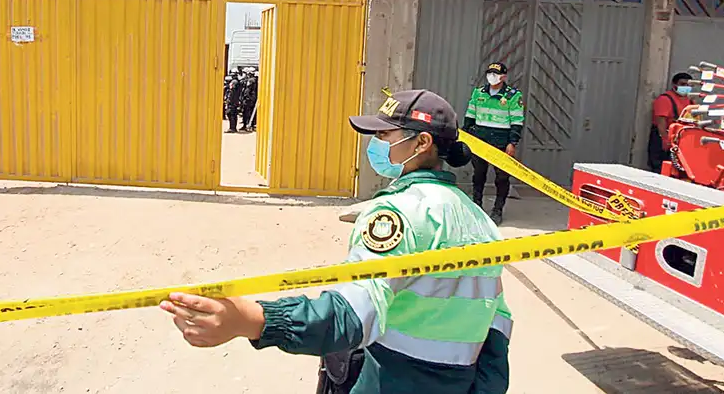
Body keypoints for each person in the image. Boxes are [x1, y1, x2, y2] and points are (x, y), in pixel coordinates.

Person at [161, 89, 512, 394]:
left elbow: (350, 317)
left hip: (390, 380)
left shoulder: (398, 214)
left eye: (385, 135)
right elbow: (497, 328)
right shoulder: (480, 221)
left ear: (422, 143)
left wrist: (251, 319)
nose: (375, 145)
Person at [464, 62, 524, 225]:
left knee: (502, 178)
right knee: (478, 175)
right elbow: (470, 115)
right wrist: (466, 134)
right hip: (480, 140)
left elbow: (517, 121)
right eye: (489, 73)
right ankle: (476, 206)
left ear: (503, 77)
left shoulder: (512, 96)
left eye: (495, 74)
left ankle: (498, 210)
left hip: (501, 141)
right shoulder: (479, 93)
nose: (492, 77)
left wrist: (512, 142)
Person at [648, 72, 694, 173]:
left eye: (688, 85)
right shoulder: (665, 99)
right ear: (674, 85)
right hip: (664, 136)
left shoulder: (690, 101)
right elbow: (661, 122)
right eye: (683, 84)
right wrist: (665, 140)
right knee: (660, 167)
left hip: (681, 138)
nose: (686, 87)